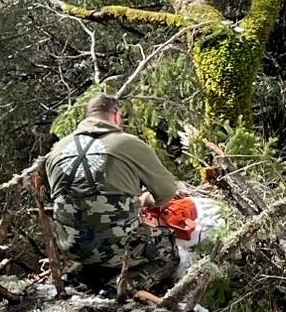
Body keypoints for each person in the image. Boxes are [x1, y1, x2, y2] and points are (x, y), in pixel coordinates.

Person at [44, 92, 189, 294]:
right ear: (116, 115)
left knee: (95, 244)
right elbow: (167, 191)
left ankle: (82, 278)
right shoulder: (128, 143)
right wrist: (144, 200)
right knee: (167, 252)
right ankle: (118, 288)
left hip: (71, 248)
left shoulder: (57, 149)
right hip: (115, 246)